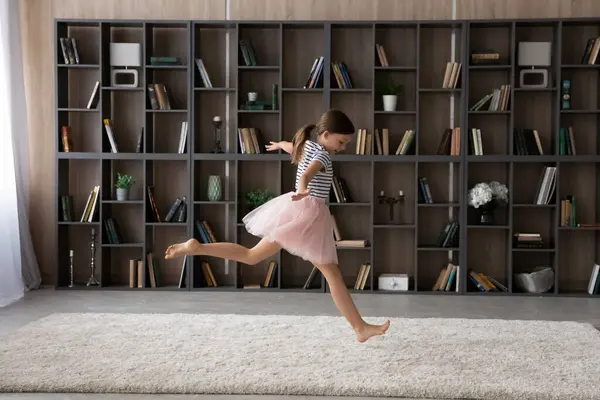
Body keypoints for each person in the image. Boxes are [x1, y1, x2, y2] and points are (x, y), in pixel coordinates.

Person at [165, 109, 390, 343]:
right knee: (332, 274)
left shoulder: (308, 146)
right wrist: (303, 188)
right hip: (308, 216)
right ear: (325, 133)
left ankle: (198, 248)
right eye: (341, 141)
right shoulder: (322, 156)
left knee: (252, 256)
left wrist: (280, 145)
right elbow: (307, 175)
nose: (342, 147)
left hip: (296, 211)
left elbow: (291, 147)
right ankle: (360, 328)